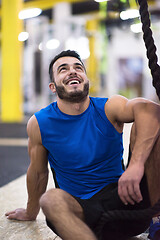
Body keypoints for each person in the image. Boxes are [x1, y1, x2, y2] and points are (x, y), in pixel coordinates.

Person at [5, 50, 160, 240]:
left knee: (152, 129)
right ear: (53, 87)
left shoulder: (109, 107)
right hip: (80, 216)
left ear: (86, 80)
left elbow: (151, 109)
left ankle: (156, 220)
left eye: (78, 67)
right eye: (63, 69)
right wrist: (30, 211)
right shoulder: (39, 123)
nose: (72, 71)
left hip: (126, 200)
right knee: (50, 199)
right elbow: (38, 172)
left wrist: (136, 165)